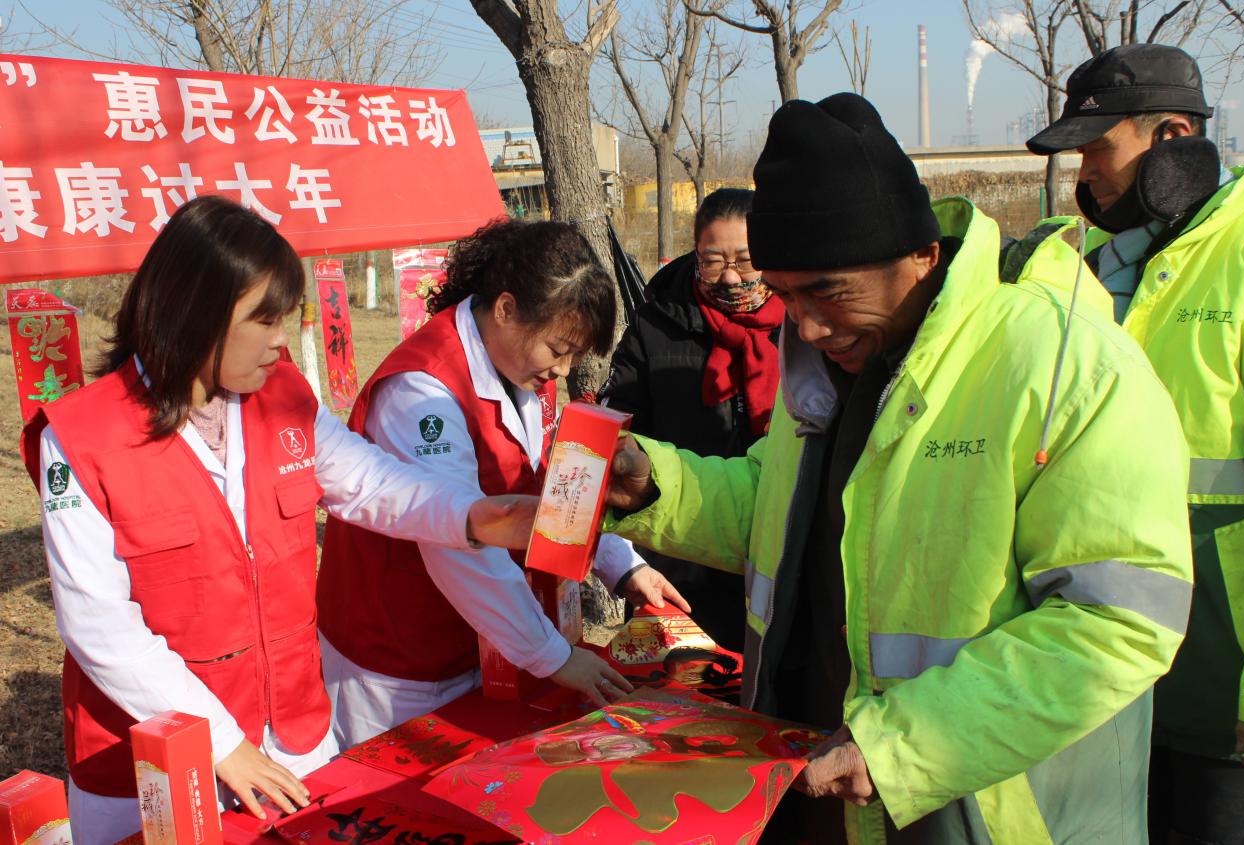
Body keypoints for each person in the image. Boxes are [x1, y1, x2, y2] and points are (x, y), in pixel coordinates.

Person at [594, 93, 1194, 842]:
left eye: (827, 291)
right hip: (821, 783)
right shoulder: (834, 357)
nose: (803, 325)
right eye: (784, 295)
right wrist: (657, 484)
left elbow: (1117, 618)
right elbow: (781, 509)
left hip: (984, 806)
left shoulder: (1058, 360)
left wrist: (901, 746)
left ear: (921, 255)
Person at [20, 196, 537, 845]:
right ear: (194, 312)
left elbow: (369, 481)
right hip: (149, 762)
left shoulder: (280, 397)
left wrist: (474, 516)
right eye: (262, 321)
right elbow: (97, 620)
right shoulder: (83, 436)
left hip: (291, 736)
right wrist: (220, 742)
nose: (279, 340)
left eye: (283, 319)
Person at [316, 219, 684, 747]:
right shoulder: (422, 392)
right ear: (507, 310)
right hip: (399, 656)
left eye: (575, 356)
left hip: (487, 639)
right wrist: (552, 656)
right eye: (558, 349)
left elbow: (554, 493)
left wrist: (622, 564)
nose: (563, 369)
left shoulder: (523, 372)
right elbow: (461, 544)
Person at [1027, 43, 1244, 844]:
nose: (1081, 175)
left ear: (1171, 137)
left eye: (1097, 149)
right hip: (1114, 679)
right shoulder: (1091, 270)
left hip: (1225, 684)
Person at [600, 188, 781, 652]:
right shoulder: (657, 323)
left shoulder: (803, 327)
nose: (730, 277)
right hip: (679, 554)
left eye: (745, 259)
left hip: (774, 551)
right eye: (713, 261)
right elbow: (617, 421)